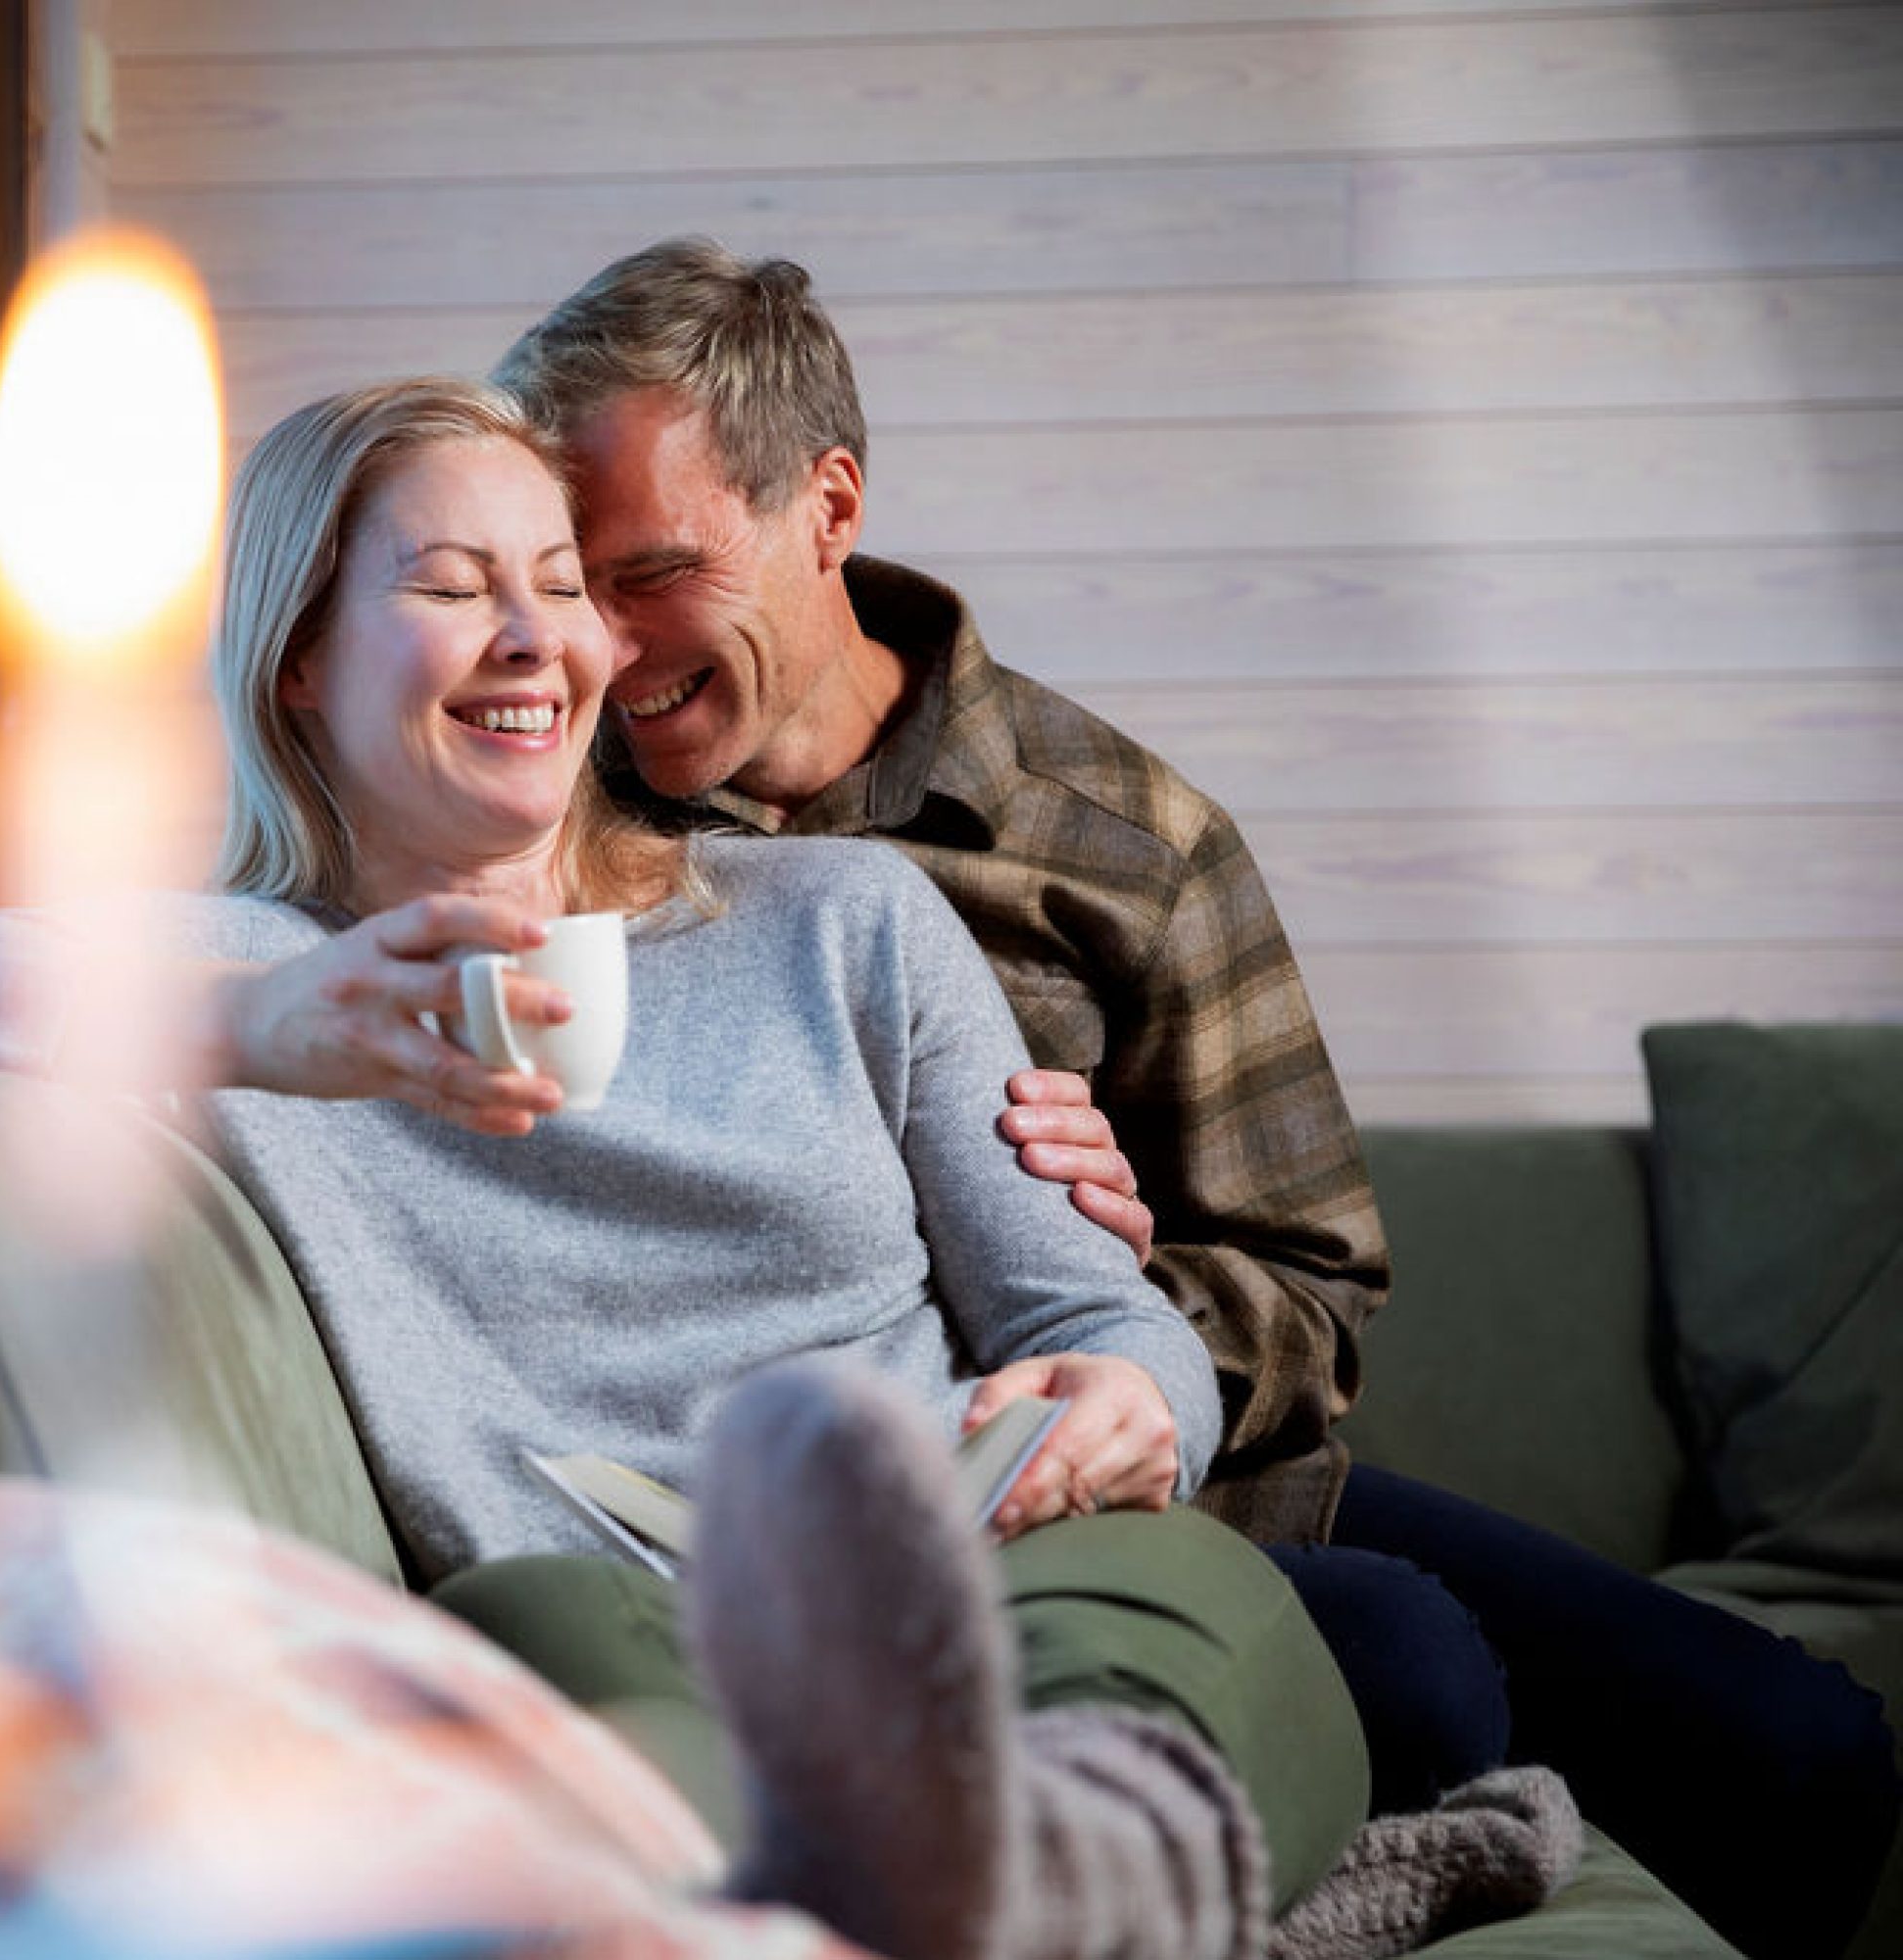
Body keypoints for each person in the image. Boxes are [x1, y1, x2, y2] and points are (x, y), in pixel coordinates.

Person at [0, 377, 1582, 1960]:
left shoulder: (839, 919)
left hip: (963, 1554)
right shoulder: (222, 970)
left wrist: (1142, 1400)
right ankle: (827, 1902)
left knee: (1189, 1608)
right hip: (617, 1598)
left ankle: (1001, 1888)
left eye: (560, 581)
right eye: (455, 585)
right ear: (300, 656)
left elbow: (1091, 1314)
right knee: (542, 1643)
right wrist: (253, 1025)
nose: (535, 633)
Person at [488, 235, 1898, 1960]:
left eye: (656, 572)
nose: (605, 648)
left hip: (1175, 1505)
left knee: (1804, 1752)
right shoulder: (531, 821)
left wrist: (1118, 1327)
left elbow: (1307, 1276)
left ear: (828, 505)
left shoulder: (1121, 842)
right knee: (1403, 1670)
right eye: (573, 582)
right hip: (774, 1522)